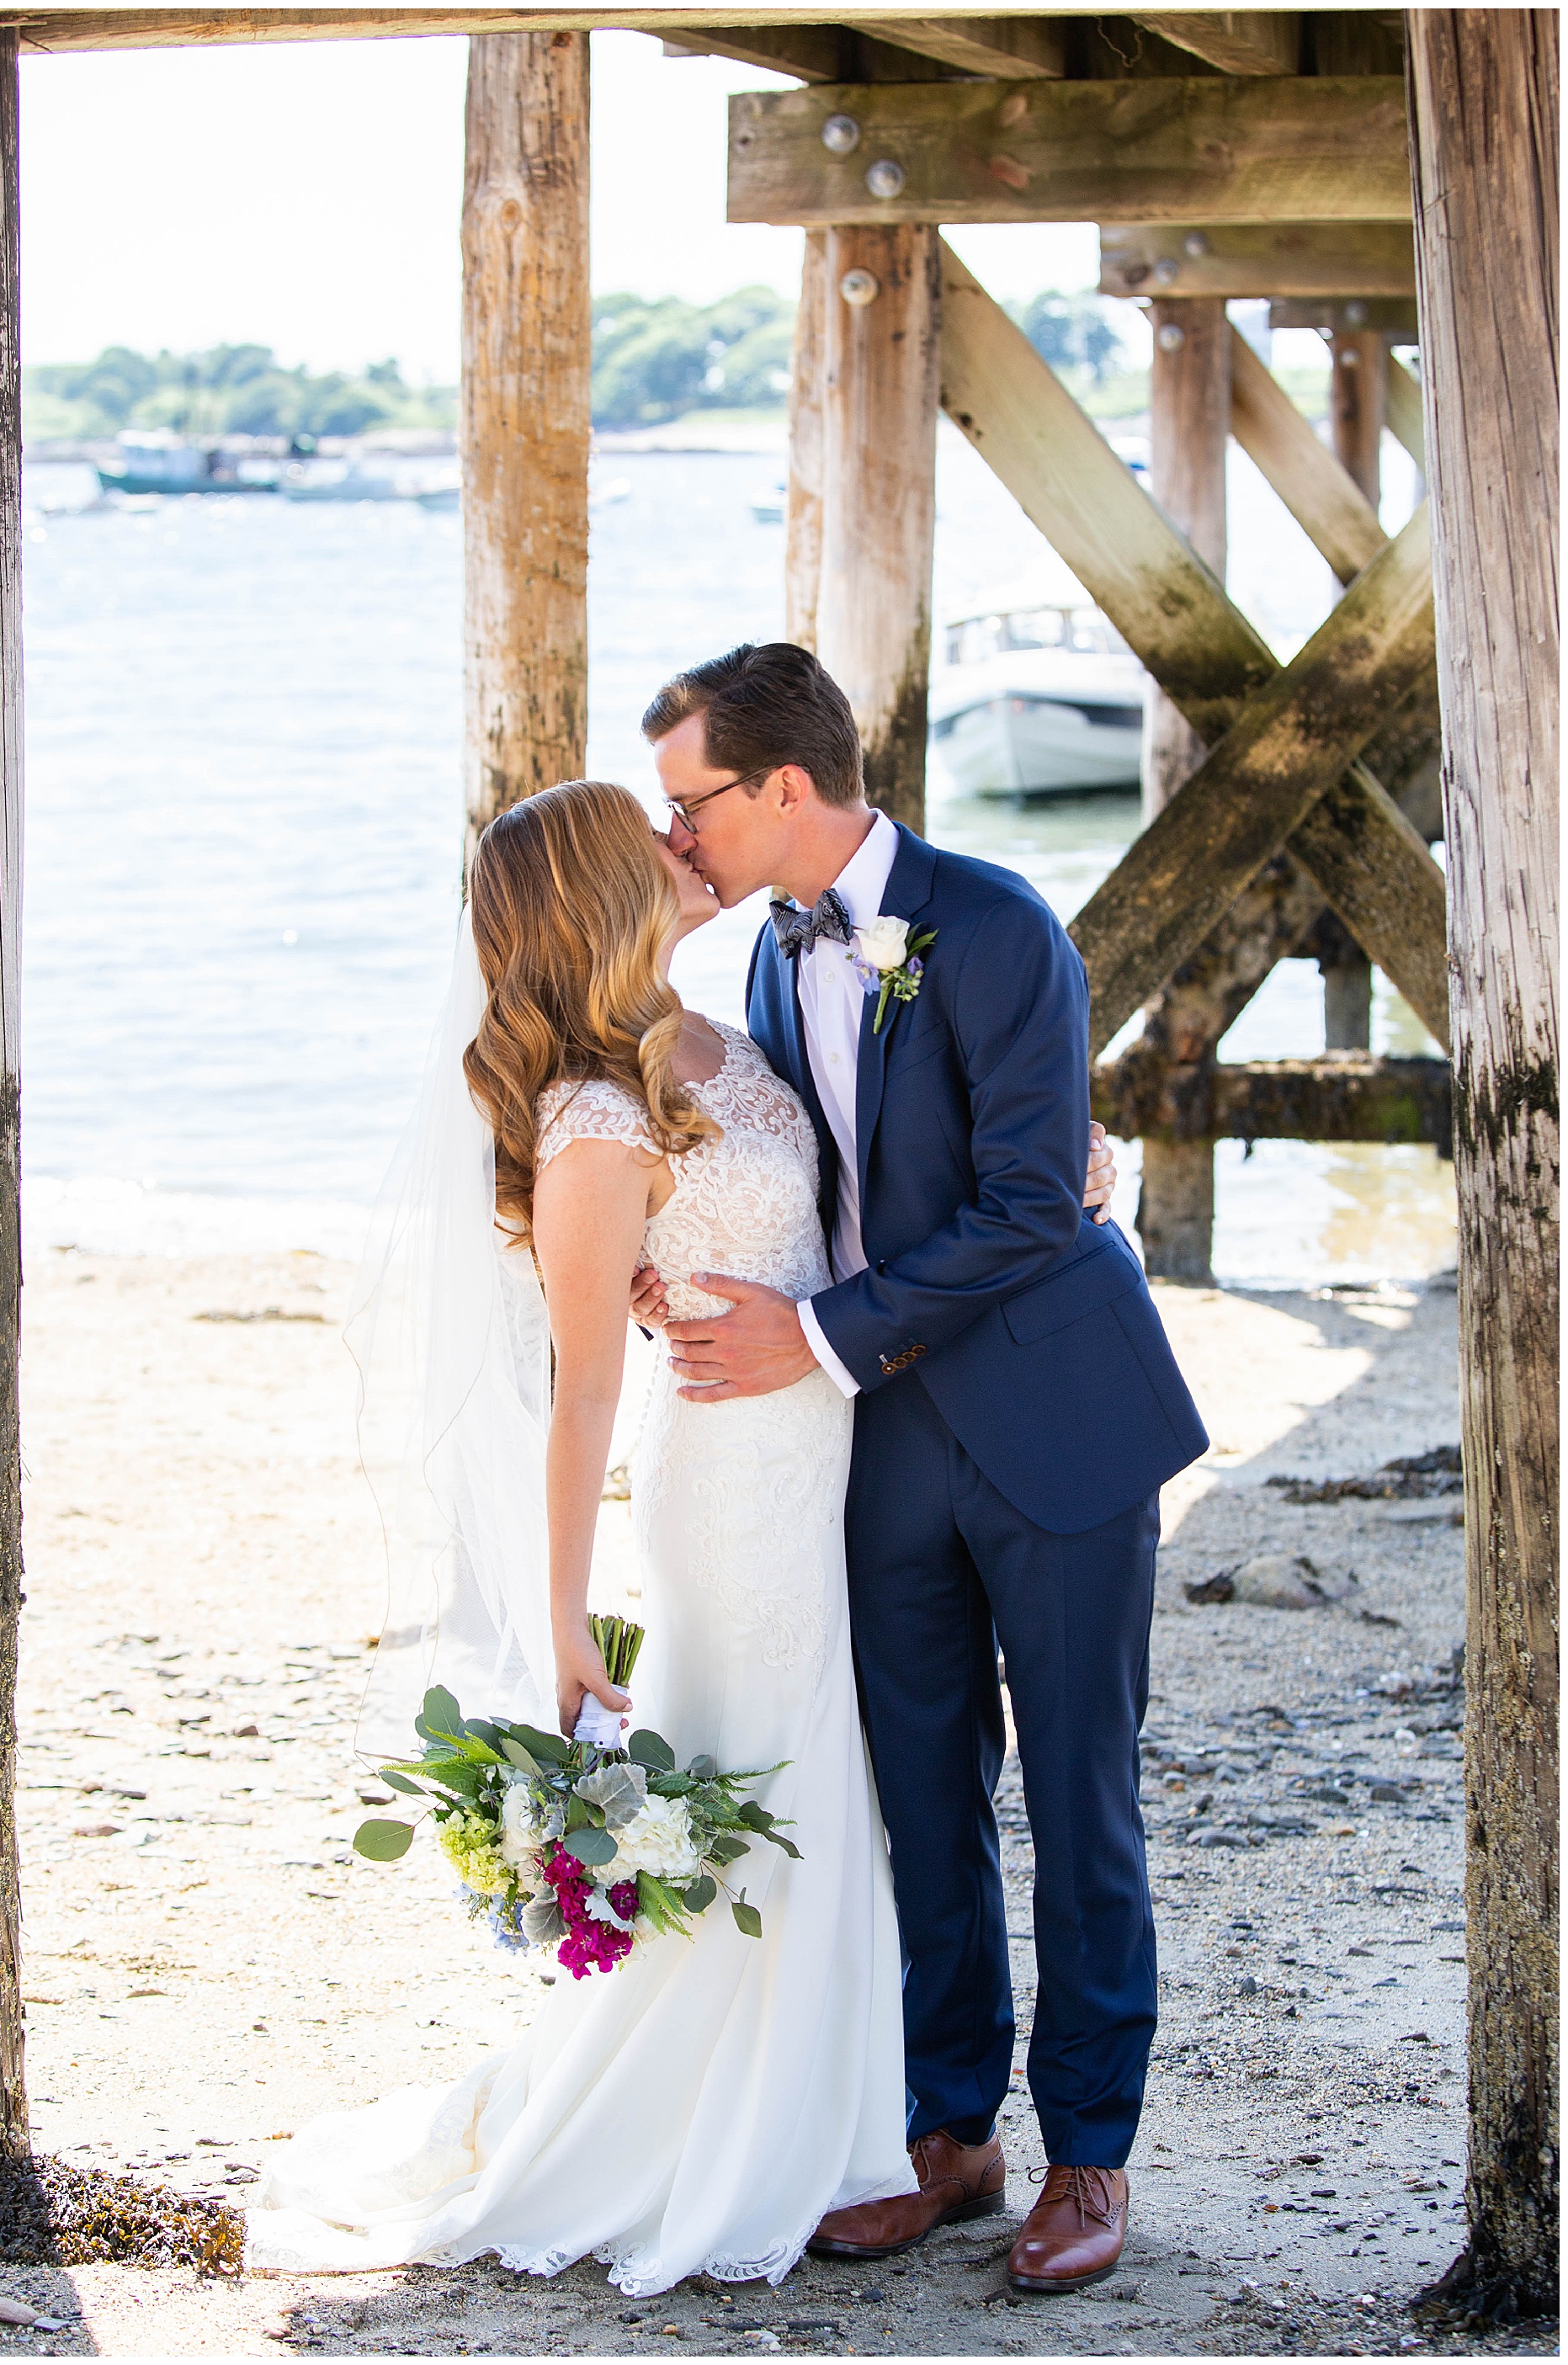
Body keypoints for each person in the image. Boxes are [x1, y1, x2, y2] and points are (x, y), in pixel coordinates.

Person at [248, 779, 1115, 2293]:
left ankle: (887, 2116)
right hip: (733, 1485)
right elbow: (581, 1394)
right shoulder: (589, 1115)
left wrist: (1059, 1177)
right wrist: (566, 1615)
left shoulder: (726, 1017)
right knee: (790, 1787)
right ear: (598, 884)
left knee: (866, 1789)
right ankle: (777, 2128)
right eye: (643, 834)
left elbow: (855, 1176)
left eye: (682, 809)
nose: (679, 840)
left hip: (850, 1451)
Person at [635, 642, 1208, 2297]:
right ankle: (950, 2135)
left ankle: (1088, 2152)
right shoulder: (760, 967)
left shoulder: (1001, 922)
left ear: (787, 790)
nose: (677, 839)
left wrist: (810, 1342)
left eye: (691, 805)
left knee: (1081, 1795)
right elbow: (785, 1184)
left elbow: (1035, 1199)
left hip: (1056, 1420)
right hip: (879, 1447)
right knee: (917, 1794)